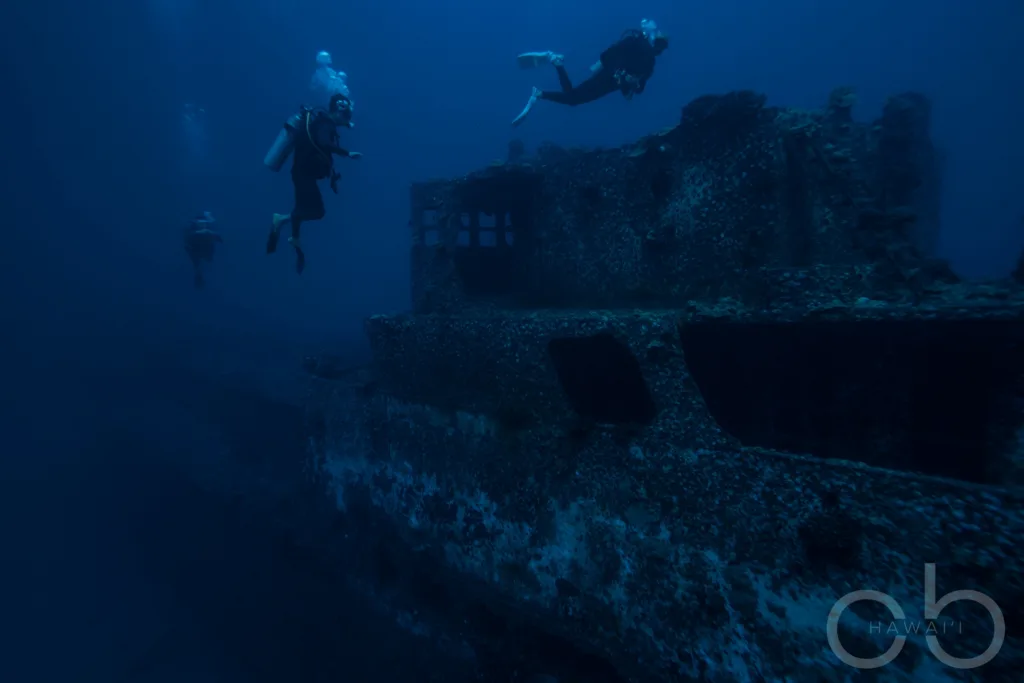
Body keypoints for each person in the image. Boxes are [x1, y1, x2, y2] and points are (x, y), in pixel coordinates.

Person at [266, 93, 362, 274]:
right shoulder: (325, 123)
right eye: (347, 116)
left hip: (303, 173)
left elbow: (325, 137)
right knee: (316, 211)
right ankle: (281, 221)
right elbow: (324, 143)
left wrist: (346, 124)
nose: (348, 120)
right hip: (303, 174)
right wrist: (346, 153)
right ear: (338, 111)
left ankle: (291, 232)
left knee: (306, 209)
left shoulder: (324, 122)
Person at [512, 19, 669, 126]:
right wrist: (618, 72)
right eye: (659, 45)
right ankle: (552, 66)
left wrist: (632, 82)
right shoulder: (635, 43)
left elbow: (640, 88)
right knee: (573, 98)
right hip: (607, 76)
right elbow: (609, 54)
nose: (659, 50)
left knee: (572, 98)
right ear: (653, 40)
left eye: (662, 48)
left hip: (611, 84)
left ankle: (543, 86)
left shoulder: (650, 63)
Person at [183, 211, 222, 289]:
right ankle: (199, 278)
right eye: (200, 223)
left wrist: (210, 233)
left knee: (208, 260)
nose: (202, 225)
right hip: (194, 250)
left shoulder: (209, 231)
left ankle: (200, 277)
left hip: (206, 249)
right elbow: (187, 238)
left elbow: (220, 239)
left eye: (204, 223)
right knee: (197, 263)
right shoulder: (191, 231)